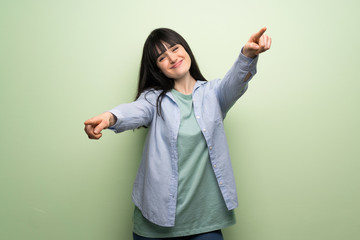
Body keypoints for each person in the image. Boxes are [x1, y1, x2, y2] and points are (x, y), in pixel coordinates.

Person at [84, 27, 271, 240]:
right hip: (154, 223)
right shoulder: (153, 99)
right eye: (162, 57)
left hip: (205, 222)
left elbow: (237, 81)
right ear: (157, 68)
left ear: (186, 50)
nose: (172, 58)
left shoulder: (215, 94)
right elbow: (133, 111)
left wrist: (247, 55)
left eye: (175, 48)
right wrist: (109, 118)